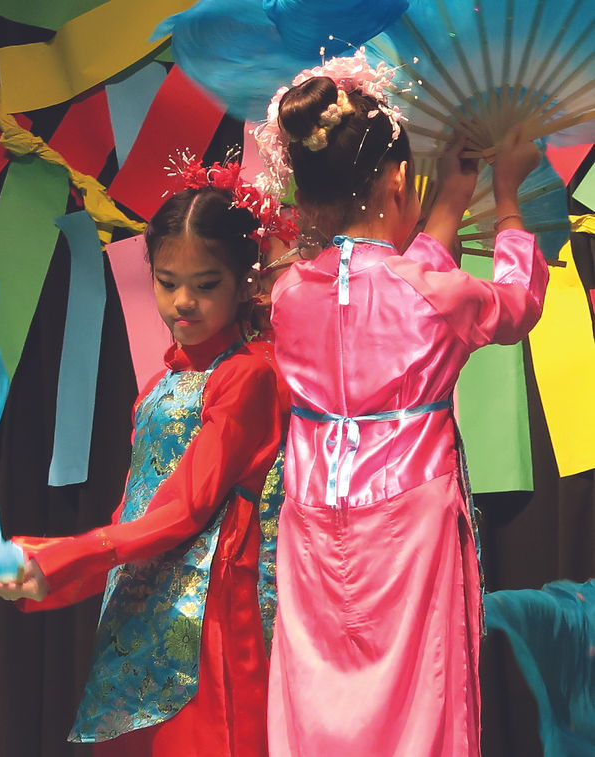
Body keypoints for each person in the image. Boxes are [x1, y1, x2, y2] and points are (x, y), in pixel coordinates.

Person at [259, 53, 550, 756]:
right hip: (408, 535)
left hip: (313, 528)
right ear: (397, 183)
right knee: (418, 706)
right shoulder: (435, 298)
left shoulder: (289, 296)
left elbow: (381, 288)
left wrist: (448, 201)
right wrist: (506, 197)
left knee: (317, 704)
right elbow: (518, 303)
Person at [0, 161, 295, 756]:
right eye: (167, 281)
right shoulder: (158, 386)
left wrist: (60, 558)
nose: (183, 302)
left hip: (214, 612)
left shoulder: (248, 378)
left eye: (205, 284)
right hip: (142, 601)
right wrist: (43, 572)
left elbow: (184, 512)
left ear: (245, 282)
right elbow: (133, 518)